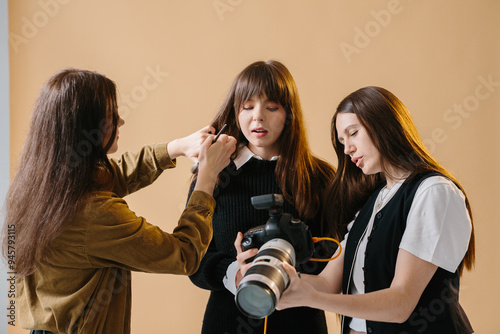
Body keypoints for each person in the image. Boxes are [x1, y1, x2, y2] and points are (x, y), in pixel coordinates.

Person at [1, 68, 236, 334]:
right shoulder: (95, 215)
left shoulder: (36, 185)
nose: (121, 121)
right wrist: (207, 178)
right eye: (112, 115)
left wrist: (178, 147)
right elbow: (184, 255)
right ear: (88, 128)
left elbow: (112, 175)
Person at [275, 86, 475, 334]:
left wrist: (310, 299)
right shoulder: (375, 201)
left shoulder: (433, 192)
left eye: (353, 133)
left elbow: (400, 303)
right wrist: (267, 271)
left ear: (384, 125)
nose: (347, 149)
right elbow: (327, 283)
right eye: (342, 141)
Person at [188, 60, 336, 334]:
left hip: (300, 323)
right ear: (235, 111)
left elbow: (336, 255)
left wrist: (293, 265)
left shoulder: (319, 177)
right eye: (247, 106)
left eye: (271, 107)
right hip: (227, 322)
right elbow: (192, 258)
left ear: (289, 113)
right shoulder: (214, 174)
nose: (258, 117)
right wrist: (235, 271)